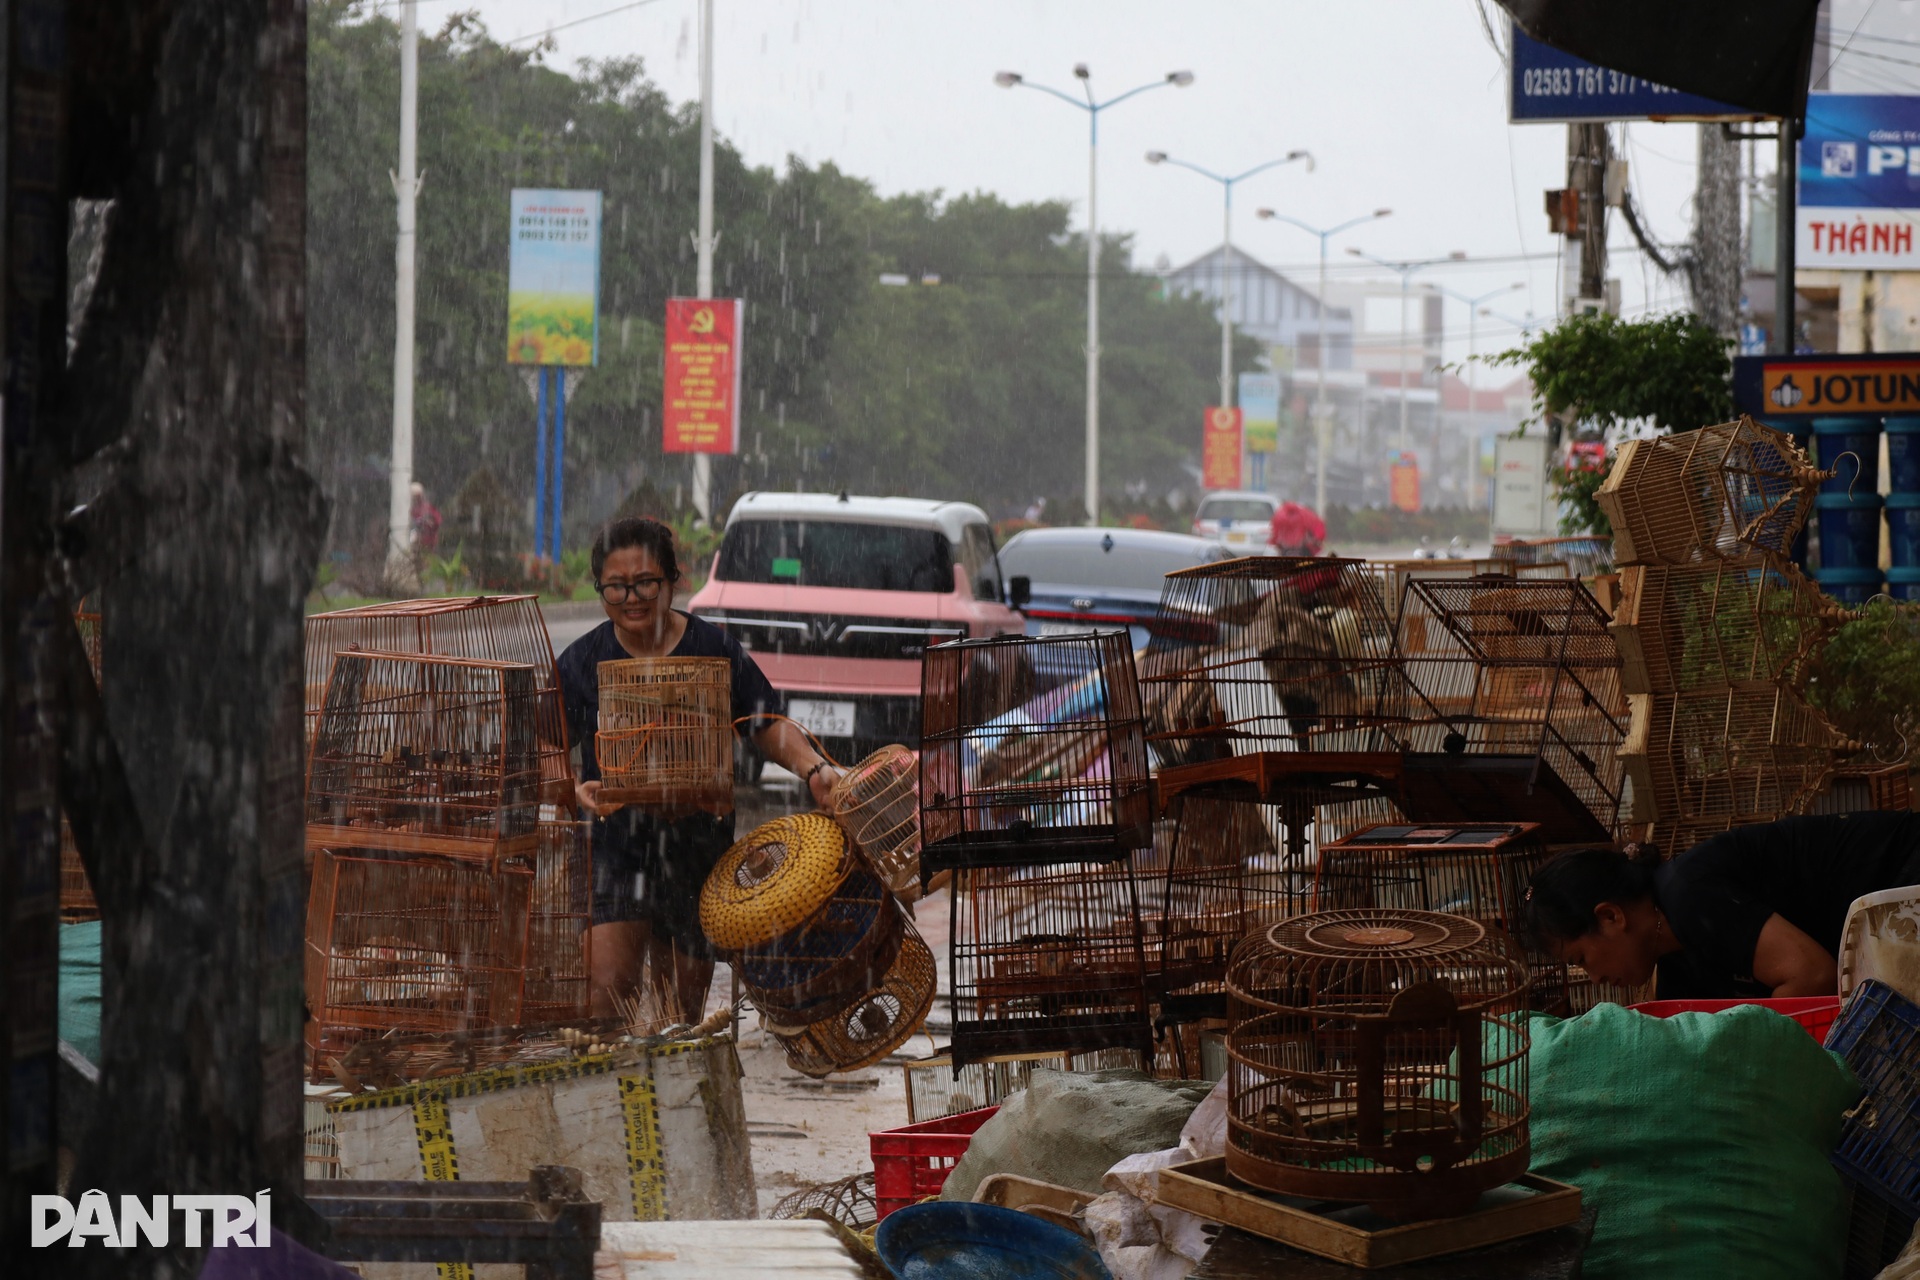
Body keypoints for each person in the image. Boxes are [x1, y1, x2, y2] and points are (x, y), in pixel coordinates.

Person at [557, 516, 843, 1021]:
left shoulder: (714, 650)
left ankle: (669, 1094)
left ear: (673, 580)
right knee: (604, 994)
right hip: (615, 844)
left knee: (680, 1013)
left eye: (645, 582)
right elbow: (543, 746)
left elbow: (766, 724)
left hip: (695, 848)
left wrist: (814, 767)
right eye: (616, 587)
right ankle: (615, 1094)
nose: (632, 598)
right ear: (600, 587)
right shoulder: (583, 662)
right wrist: (572, 785)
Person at [1521, 812, 1920, 999]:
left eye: (1582, 959)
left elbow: (1810, 976)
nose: (1594, 979)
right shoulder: (1674, 960)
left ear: (1610, 916)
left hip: (1904, 880)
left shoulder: (1688, 895)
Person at [409, 481, 442, 553]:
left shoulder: (428, 508)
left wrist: (428, 522)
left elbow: (437, 521)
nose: (416, 499)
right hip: (414, 545)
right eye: (414, 496)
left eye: (418, 496)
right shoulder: (408, 510)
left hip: (427, 545)